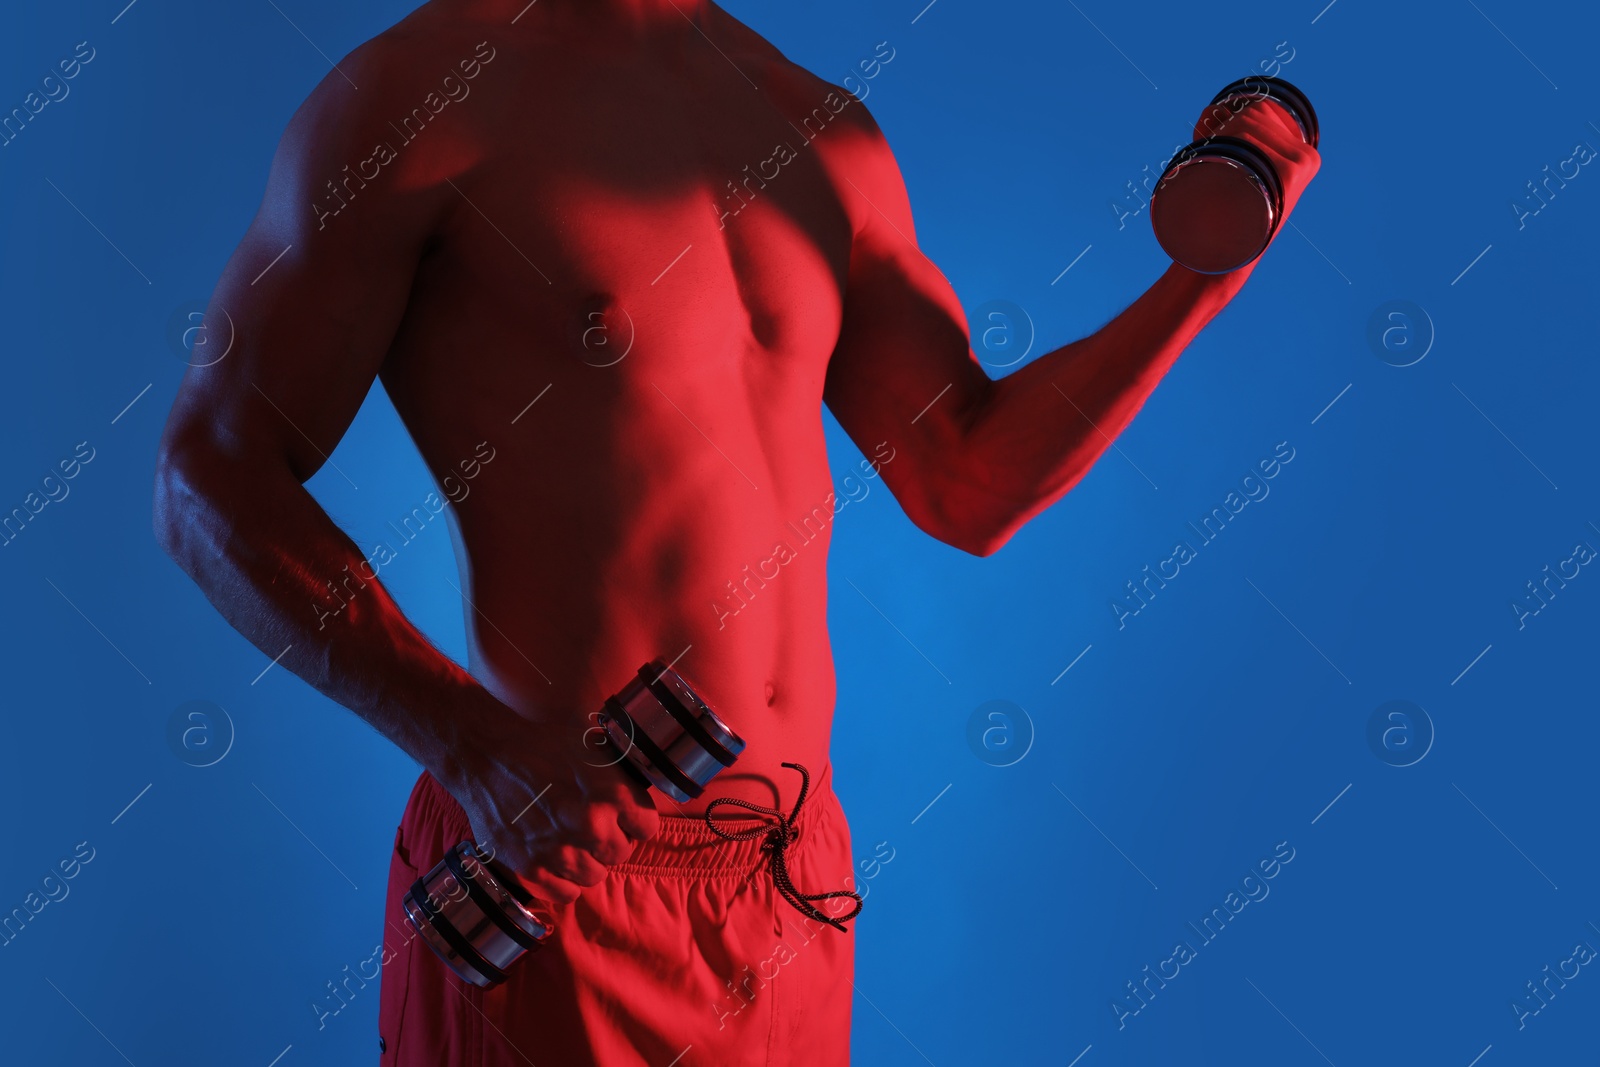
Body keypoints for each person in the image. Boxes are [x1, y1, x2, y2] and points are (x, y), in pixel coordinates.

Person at [151, 0, 1320, 1063]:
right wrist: (470, 746)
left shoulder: (813, 123)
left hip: (791, 883)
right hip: (561, 882)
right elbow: (207, 481)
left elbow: (967, 482)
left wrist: (1199, 281)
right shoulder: (417, 97)